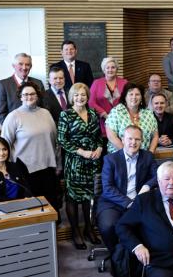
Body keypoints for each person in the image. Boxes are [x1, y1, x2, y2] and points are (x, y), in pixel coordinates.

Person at [1, 82, 60, 215]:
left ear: (37, 96)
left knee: (51, 210)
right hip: (25, 171)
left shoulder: (46, 113)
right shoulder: (13, 117)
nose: (29, 96)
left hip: (48, 169)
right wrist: (7, 169)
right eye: (25, 94)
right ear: (20, 97)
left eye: (32, 93)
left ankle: (52, 235)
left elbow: (55, 141)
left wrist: (58, 163)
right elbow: (4, 145)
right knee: (33, 212)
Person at [96, 125, 157, 253]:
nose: (133, 142)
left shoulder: (148, 157)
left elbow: (158, 176)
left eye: (137, 139)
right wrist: (129, 203)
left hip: (139, 202)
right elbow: (107, 189)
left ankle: (136, 256)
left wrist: (147, 186)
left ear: (142, 141)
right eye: (130, 139)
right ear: (122, 139)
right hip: (112, 203)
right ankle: (117, 256)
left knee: (152, 225)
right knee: (108, 226)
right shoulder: (110, 159)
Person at [57, 83, 103, 249]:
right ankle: (76, 231)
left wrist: (99, 148)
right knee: (73, 198)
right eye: (76, 95)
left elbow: (99, 136)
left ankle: (89, 229)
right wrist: (81, 152)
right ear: (71, 97)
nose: (80, 98)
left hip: (92, 162)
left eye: (83, 95)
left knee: (89, 197)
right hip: (75, 162)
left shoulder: (92, 113)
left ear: (87, 96)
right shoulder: (66, 115)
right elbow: (62, 139)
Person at [105, 82, 159, 153]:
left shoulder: (148, 113)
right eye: (131, 94)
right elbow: (111, 136)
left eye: (137, 94)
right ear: (125, 97)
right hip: (120, 156)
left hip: (143, 157)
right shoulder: (116, 112)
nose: (134, 97)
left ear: (141, 98)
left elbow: (155, 136)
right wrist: (128, 154)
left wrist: (150, 154)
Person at [0, 53, 45, 124]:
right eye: (20, 64)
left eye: (27, 64)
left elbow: (43, 108)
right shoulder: (3, 85)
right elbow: (1, 114)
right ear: (13, 66)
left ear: (31, 67)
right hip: (14, 130)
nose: (24, 68)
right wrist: (12, 130)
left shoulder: (38, 83)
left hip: (36, 127)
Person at [89, 57, 128, 138]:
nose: (110, 70)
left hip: (121, 121)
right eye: (108, 67)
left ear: (117, 69)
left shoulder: (124, 83)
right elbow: (91, 102)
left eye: (113, 67)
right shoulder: (96, 83)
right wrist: (103, 114)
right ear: (104, 70)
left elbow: (128, 101)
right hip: (101, 121)